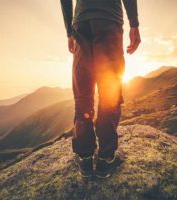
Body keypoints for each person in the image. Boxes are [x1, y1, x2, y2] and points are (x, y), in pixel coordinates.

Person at [60, 0, 140, 178]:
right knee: (110, 91)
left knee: (83, 93)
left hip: (81, 24)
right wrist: (134, 24)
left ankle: (85, 156)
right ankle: (106, 159)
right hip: (108, 19)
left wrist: (69, 32)